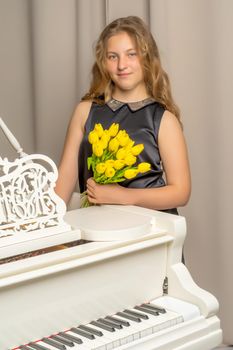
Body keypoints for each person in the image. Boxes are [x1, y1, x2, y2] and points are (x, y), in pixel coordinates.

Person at [55, 16, 191, 214]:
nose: (122, 65)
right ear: (103, 62)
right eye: (113, 56)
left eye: (131, 54)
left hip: (151, 230)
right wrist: (39, 228)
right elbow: (64, 181)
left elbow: (181, 192)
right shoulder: (85, 111)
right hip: (97, 227)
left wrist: (123, 197)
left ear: (147, 58)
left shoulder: (163, 119)